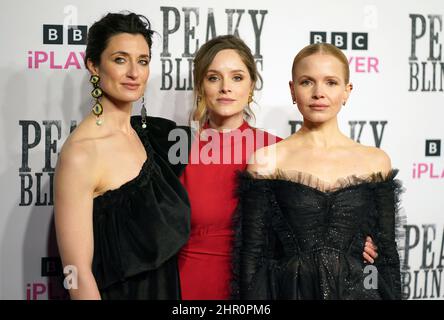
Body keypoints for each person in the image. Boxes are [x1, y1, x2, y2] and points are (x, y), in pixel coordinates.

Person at [177, 36, 379, 300]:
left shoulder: (279, 152)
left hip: (267, 286)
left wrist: (356, 240)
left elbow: (318, 220)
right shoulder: (177, 152)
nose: (225, 87)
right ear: (200, 86)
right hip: (192, 280)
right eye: (213, 77)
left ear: (251, 85)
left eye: (237, 77)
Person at [233, 43, 402, 299]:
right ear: (293, 89)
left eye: (331, 82)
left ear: (347, 91)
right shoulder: (267, 160)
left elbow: (387, 259)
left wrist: (371, 247)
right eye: (307, 82)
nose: (318, 93)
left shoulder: (375, 161)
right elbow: (253, 257)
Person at [54, 12, 191, 299]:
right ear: (93, 65)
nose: (134, 72)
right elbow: (76, 271)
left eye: (142, 61)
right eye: (120, 59)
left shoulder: (153, 135)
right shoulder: (81, 154)